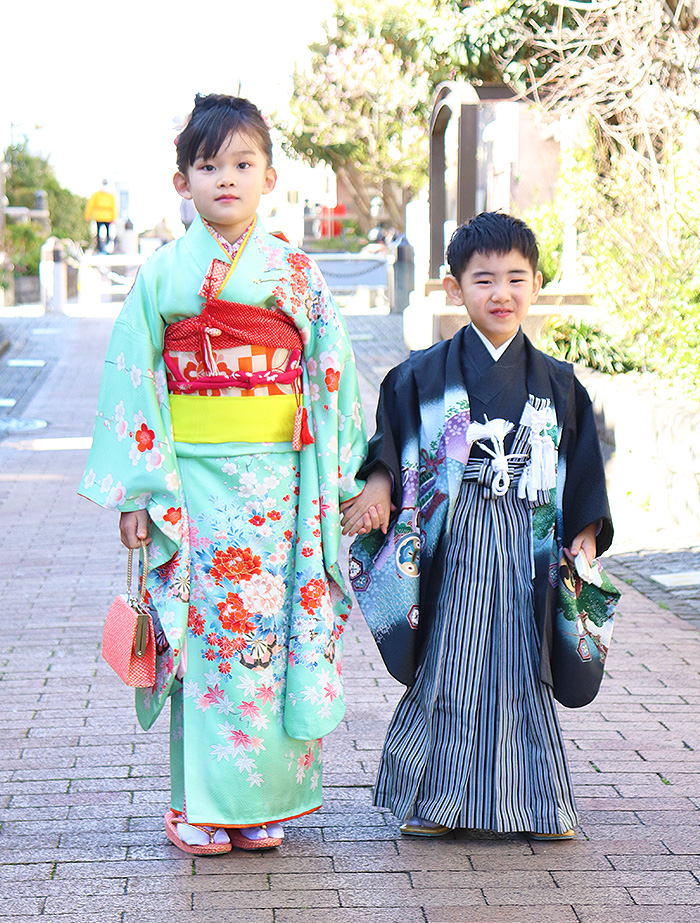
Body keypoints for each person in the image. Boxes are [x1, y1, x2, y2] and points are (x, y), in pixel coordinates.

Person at [80, 94, 367, 856]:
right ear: (183, 182)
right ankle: (199, 804)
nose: (227, 179)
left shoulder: (295, 274)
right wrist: (140, 492)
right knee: (205, 639)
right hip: (194, 486)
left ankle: (263, 799)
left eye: (243, 164)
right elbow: (133, 379)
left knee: (271, 635)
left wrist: (341, 480)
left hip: (280, 487)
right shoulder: (162, 276)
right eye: (209, 165)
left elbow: (332, 372)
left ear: (269, 177)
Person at [341, 212, 613, 841]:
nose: (501, 294)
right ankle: (435, 801)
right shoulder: (420, 376)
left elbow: (583, 470)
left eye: (516, 279)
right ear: (452, 287)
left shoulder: (560, 383)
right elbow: (392, 443)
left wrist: (585, 533)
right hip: (454, 536)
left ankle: (538, 804)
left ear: (537, 284)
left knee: (524, 662)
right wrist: (379, 486)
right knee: (449, 663)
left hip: (529, 539)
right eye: (483, 279)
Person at [84, 179, 117, 252]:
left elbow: (90, 205)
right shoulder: (108, 195)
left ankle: (101, 247)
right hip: (105, 217)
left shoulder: (100, 194)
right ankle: (105, 246)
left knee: (101, 233)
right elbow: (115, 207)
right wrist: (114, 218)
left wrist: (88, 216)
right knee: (106, 233)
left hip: (101, 217)